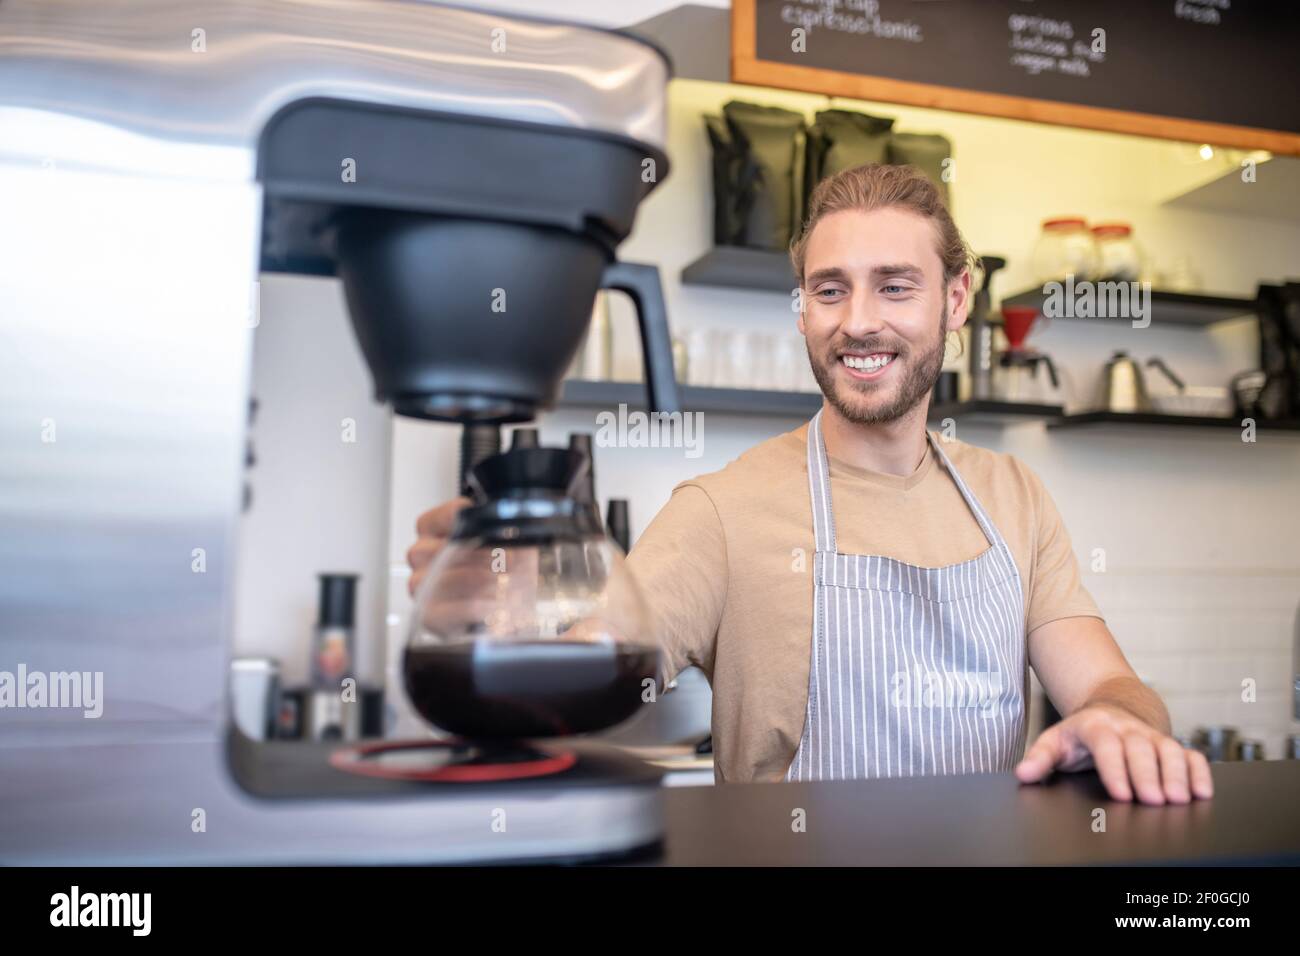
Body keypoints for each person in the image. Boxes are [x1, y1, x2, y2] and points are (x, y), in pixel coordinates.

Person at [408, 163, 1212, 805]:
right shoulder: (720, 512)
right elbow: (588, 678)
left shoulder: (1013, 497)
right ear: (802, 308)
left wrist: (1116, 723)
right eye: (830, 290)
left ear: (956, 298)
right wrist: (497, 626)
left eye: (895, 286)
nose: (859, 321)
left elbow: (1110, 684)